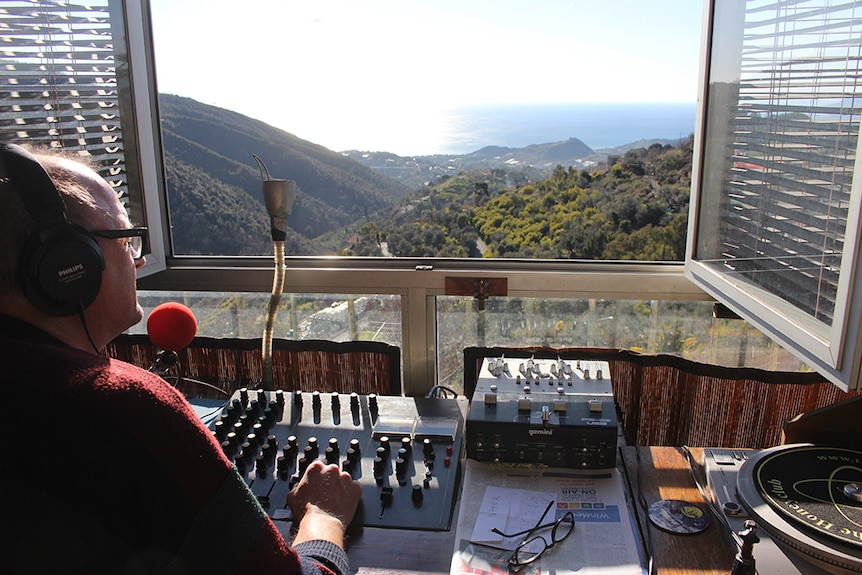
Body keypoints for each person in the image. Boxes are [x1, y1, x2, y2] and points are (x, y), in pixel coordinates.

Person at [0, 143, 362, 574]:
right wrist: (325, 517)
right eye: (125, 239)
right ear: (68, 266)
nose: (139, 261)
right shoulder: (125, 407)